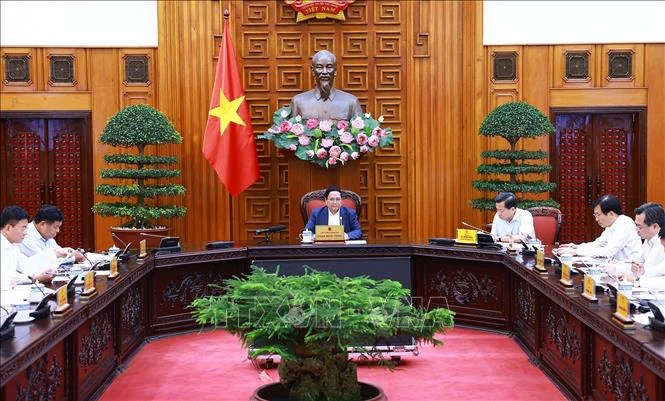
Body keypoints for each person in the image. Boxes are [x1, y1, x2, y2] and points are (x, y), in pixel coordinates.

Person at [558, 194, 642, 262]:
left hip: (628, 268)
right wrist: (577, 247)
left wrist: (576, 252)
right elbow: (598, 244)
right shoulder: (611, 225)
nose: (596, 219)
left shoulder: (625, 224)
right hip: (615, 266)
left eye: (598, 215)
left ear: (611, 214)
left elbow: (608, 251)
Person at [290, 50, 363, 121]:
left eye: (329, 67)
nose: (324, 72)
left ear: (335, 70)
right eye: (319, 67)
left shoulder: (351, 102)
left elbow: (361, 128)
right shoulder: (298, 102)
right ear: (313, 71)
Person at [1, 206, 57, 289]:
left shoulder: (13, 245)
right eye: (23, 228)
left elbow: (25, 265)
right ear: (8, 228)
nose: (25, 233)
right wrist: (35, 278)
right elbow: (5, 277)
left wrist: (44, 272)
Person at [19, 204, 84, 262]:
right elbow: (43, 261)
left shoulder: (46, 235)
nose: (58, 230)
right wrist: (73, 258)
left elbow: (60, 252)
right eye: (56, 227)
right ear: (43, 224)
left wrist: (71, 253)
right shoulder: (26, 235)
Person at [628, 202, 665, 287]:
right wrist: (635, 267)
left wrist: (639, 278)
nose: (637, 230)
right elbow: (638, 262)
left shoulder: (662, 240)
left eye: (640, 227)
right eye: (636, 225)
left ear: (655, 226)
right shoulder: (648, 239)